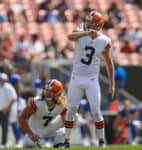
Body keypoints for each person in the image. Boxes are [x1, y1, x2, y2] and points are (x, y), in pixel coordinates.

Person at [63, 10, 115, 148]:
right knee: (71, 109)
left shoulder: (104, 41)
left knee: (96, 111)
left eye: (92, 23)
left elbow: (110, 64)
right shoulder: (80, 33)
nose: (88, 24)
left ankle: (101, 141)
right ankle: (66, 140)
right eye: (88, 22)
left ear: (98, 25)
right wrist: (86, 33)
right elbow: (69, 36)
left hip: (91, 79)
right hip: (76, 77)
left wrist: (112, 84)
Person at [18, 79, 67, 148]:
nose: (48, 93)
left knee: (74, 116)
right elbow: (21, 118)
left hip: (50, 127)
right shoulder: (37, 103)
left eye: (52, 91)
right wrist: (31, 134)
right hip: (36, 130)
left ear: (58, 93)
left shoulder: (62, 103)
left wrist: (66, 134)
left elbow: (65, 120)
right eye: (47, 90)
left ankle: (58, 142)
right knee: (29, 145)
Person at [0, 72, 17, 147]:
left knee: (4, 128)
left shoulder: (9, 87)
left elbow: (13, 99)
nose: (1, 80)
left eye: (2, 79)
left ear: (5, 80)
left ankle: (3, 143)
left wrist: (7, 109)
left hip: (4, 111)